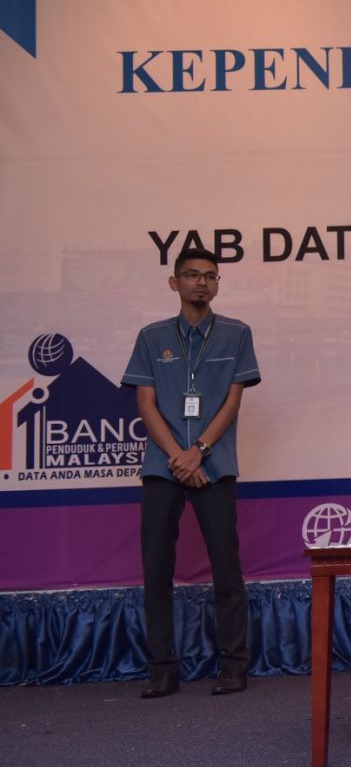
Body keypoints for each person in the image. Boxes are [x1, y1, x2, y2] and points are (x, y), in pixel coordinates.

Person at [121, 247, 261, 699]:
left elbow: (233, 402)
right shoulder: (151, 337)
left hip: (214, 466)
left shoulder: (237, 333)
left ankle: (234, 665)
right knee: (156, 569)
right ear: (174, 282)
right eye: (192, 274)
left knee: (227, 570)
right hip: (162, 468)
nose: (202, 282)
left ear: (217, 284)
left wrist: (198, 452)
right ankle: (162, 669)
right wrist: (178, 457)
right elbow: (146, 404)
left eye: (210, 276)